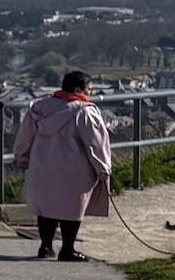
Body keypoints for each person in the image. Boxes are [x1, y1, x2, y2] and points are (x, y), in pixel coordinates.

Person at [11, 70, 113, 262]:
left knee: (46, 207)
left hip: (42, 166)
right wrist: (103, 169)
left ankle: (46, 246)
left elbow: (25, 136)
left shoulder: (40, 108)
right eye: (89, 90)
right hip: (74, 170)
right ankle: (67, 248)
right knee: (72, 209)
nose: (90, 94)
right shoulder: (85, 112)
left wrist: (22, 157)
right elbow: (96, 144)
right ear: (78, 90)